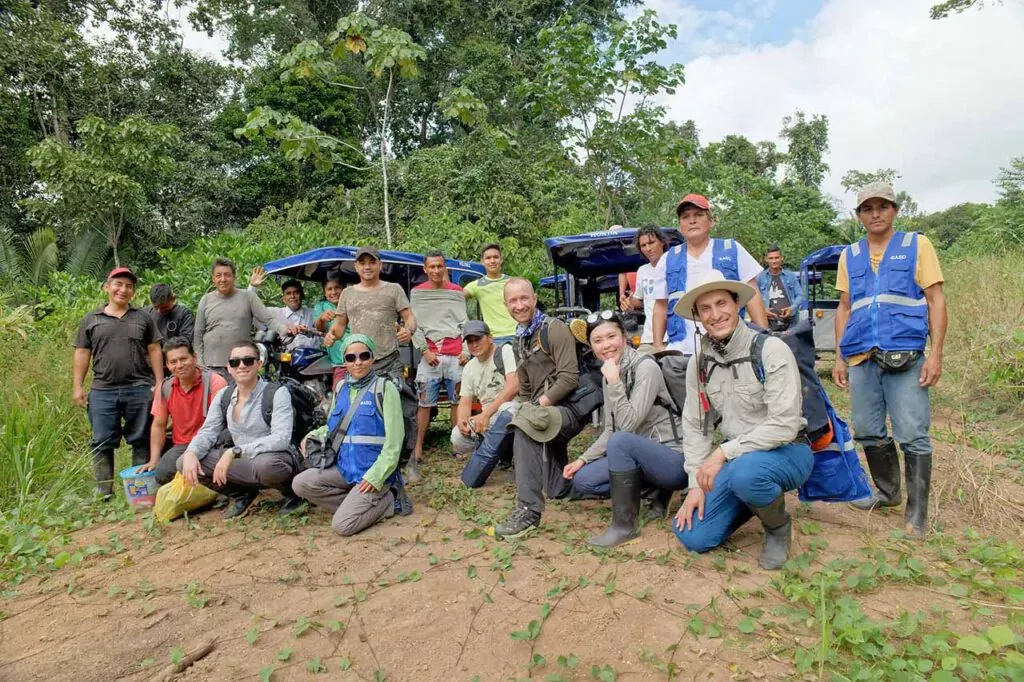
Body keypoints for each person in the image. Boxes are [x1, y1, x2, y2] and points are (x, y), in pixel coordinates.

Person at [672, 271, 812, 570]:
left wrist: (723, 453)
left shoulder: (770, 349)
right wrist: (695, 483)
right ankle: (751, 500)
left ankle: (777, 527)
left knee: (746, 474)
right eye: (705, 308)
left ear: (737, 304)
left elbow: (785, 425)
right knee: (693, 535)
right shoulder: (699, 362)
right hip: (739, 461)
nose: (716, 314)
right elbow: (696, 424)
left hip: (787, 451)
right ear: (697, 316)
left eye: (721, 303)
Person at [833, 182, 947, 538]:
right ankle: (888, 492)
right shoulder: (849, 255)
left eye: (882, 206)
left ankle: (917, 514)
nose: (875, 213)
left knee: (912, 433)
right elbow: (845, 307)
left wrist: (936, 353)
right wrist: (839, 357)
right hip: (862, 357)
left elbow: (935, 300)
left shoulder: (917, 245)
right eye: (868, 208)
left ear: (895, 210)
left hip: (906, 356)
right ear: (859, 216)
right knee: (866, 429)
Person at [562, 311, 684, 542]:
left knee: (621, 440)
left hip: (673, 458)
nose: (606, 345)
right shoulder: (611, 370)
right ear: (591, 346)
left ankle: (624, 526)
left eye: (611, 337)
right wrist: (583, 459)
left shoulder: (645, 367)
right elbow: (610, 428)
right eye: (598, 341)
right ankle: (656, 491)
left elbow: (626, 426)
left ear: (624, 336)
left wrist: (614, 381)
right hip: (638, 456)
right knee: (584, 479)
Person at [493, 278, 583, 538]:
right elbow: (524, 387)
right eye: (513, 300)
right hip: (545, 411)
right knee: (558, 488)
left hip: (569, 410)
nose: (519, 305)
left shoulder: (554, 329)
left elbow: (569, 378)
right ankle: (632, 486)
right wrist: (523, 406)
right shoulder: (520, 337)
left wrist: (534, 407)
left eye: (524, 298)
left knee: (525, 427)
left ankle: (528, 510)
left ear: (534, 299)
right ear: (506, 304)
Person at [293, 335, 409, 536]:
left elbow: (394, 443)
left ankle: (389, 501)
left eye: (364, 356)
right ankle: (355, 503)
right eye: (351, 357)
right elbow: (333, 426)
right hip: (345, 468)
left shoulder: (385, 388)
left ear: (372, 358)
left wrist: (376, 477)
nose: (358, 362)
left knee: (342, 526)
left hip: (372, 471)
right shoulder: (341, 388)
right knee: (301, 483)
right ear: (344, 361)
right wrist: (312, 435)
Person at [178, 341, 303, 519]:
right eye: (235, 362)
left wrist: (235, 451)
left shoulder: (277, 393)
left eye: (248, 361)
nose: (242, 366)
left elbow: (281, 438)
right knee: (184, 461)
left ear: (259, 364)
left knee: (265, 465)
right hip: (242, 461)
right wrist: (191, 452)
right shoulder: (224, 396)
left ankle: (292, 494)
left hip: (273, 459)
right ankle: (241, 495)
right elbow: (208, 431)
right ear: (229, 368)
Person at [73, 267, 164, 497]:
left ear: (133, 292)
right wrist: (77, 387)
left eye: (129, 286)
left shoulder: (143, 317)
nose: (123, 290)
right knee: (102, 441)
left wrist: (160, 383)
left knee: (141, 439)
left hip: (140, 389)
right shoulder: (91, 319)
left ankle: (141, 490)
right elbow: (82, 353)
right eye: (118, 284)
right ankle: (104, 491)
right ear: (107, 287)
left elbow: (154, 349)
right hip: (103, 390)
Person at [653, 194, 768, 355]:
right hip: (683, 349)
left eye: (698, 215)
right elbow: (661, 305)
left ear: (711, 221)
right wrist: (657, 345)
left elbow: (753, 295)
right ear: (680, 226)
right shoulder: (667, 259)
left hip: (731, 345)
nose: (692, 221)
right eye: (686, 217)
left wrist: (763, 338)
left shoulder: (732, 249)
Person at [409, 250, 469, 475]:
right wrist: (424, 351)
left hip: (456, 356)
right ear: (425, 269)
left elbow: (464, 323)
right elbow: (414, 325)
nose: (435, 270)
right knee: (424, 404)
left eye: (439, 266)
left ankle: (458, 445)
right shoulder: (417, 293)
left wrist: (465, 350)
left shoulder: (456, 292)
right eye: (431, 267)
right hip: (430, 356)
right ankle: (418, 447)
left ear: (445, 268)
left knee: (458, 403)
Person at [142, 336, 228, 485]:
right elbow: (158, 425)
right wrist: (154, 459)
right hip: (183, 445)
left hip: (213, 441)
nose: (179, 365)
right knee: (162, 473)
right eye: (173, 362)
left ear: (194, 358)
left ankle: (224, 489)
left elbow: (222, 424)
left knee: (207, 466)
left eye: (184, 359)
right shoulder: (165, 388)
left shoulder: (215, 382)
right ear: (167, 365)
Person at [325, 246, 417, 385]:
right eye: (362, 263)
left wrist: (408, 330)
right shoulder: (347, 293)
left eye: (372, 262)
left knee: (394, 403)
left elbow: (409, 317)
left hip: (389, 361)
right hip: (359, 362)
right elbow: (339, 326)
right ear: (356, 266)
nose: (367, 267)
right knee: (361, 405)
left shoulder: (394, 289)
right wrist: (330, 335)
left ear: (380, 265)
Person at [194, 258, 296, 377]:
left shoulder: (248, 297)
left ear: (234, 278)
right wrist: (200, 363)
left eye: (227, 275)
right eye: (218, 275)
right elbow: (198, 334)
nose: (223, 279)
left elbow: (268, 320)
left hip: (241, 364)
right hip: (212, 365)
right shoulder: (206, 299)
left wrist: (285, 330)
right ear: (213, 279)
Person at [453, 321, 519, 488]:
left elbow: (513, 387)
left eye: (478, 339)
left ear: (490, 338)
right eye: (470, 341)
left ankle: (511, 452)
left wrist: (485, 414)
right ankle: (498, 453)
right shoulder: (469, 367)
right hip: (488, 420)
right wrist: (462, 420)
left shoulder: (505, 351)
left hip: (514, 412)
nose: (474, 345)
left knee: (506, 410)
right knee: (457, 437)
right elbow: (465, 402)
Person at [619, 225, 669, 350]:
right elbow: (640, 301)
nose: (648, 248)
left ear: (662, 242)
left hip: (672, 338)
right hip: (648, 338)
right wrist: (628, 302)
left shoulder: (674, 265)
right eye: (643, 245)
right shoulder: (642, 271)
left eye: (651, 243)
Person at [249, 269, 319, 350]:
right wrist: (253, 287)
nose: (292, 296)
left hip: (313, 359)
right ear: (283, 298)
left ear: (302, 295)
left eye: (296, 292)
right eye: (288, 293)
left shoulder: (314, 313)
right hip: (283, 360)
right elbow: (250, 311)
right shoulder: (274, 313)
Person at [464, 243, 517, 344]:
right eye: (488, 258)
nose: (492, 261)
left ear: (501, 259)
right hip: (494, 339)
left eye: (495, 257)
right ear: (482, 262)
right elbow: (455, 297)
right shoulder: (476, 285)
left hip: (517, 334)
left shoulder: (513, 282)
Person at [312, 270, 349, 389]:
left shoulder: (353, 303)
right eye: (329, 289)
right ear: (324, 291)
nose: (334, 292)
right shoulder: (321, 306)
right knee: (340, 393)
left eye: (337, 287)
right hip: (339, 363)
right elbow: (319, 329)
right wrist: (321, 319)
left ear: (344, 288)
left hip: (360, 358)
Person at [756, 245, 804, 333]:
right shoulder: (760, 278)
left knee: (791, 346)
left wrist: (792, 308)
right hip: (768, 323)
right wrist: (762, 311)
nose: (774, 261)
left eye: (777, 257)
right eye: (771, 258)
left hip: (791, 322)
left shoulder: (791, 276)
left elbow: (800, 295)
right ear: (766, 259)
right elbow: (753, 298)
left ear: (782, 258)